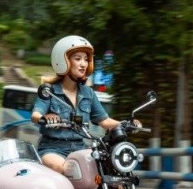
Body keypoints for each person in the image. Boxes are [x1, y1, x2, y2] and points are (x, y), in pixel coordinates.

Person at [30, 35, 130, 174]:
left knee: (109, 174)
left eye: (86, 59)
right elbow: (36, 115)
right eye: (78, 59)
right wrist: (46, 117)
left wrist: (126, 124)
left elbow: (104, 121)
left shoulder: (88, 93)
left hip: (80, 148)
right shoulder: (49, 91)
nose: (83, 64)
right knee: (63, 168)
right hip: (53, 148)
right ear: (63, 61)